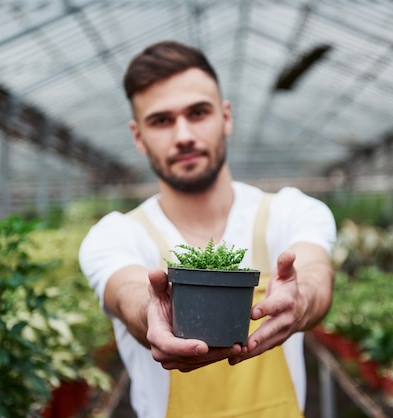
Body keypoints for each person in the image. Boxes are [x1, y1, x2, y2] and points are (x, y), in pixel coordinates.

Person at [79, 40, 336, 418]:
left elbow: (315, 273)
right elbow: (128, 292)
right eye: (161, 120)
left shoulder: (288, 212)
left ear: (226, 117)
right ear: (138, 137)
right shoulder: (116, 235)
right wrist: (152, 313)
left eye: (198, 112)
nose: (183, 135)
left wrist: (302, 300)